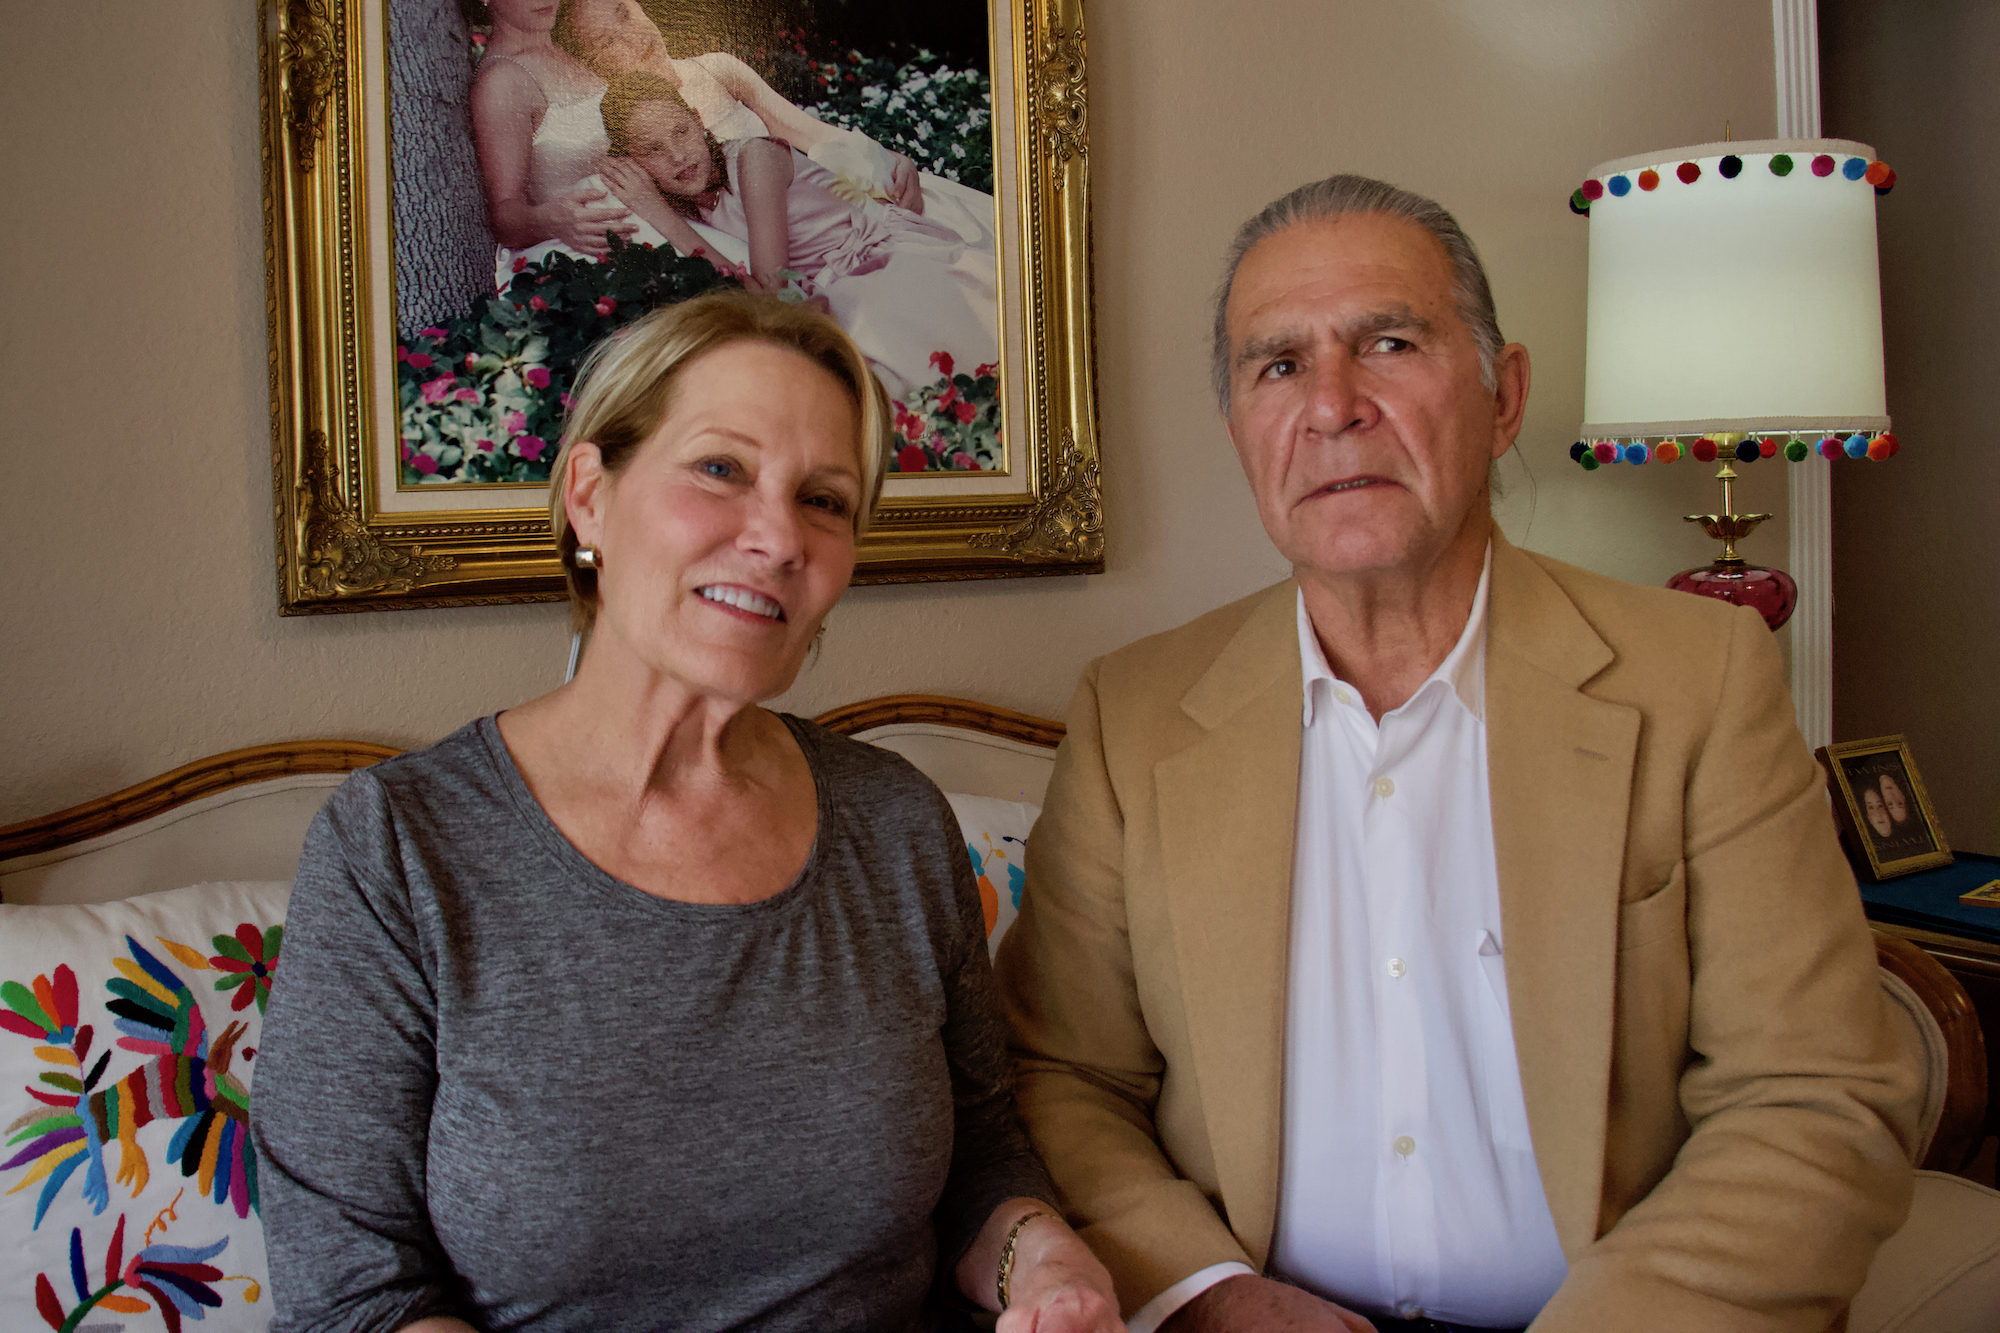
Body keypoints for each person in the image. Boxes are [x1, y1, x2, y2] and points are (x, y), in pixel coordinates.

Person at [992, 175, 1921, 1333]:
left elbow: (1812, 1092)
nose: (1332, 405)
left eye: (1387, 343)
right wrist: (1206, 1292)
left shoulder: (1701, 682)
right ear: (1239, 431)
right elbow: (1063, 1075)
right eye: (1277, 365)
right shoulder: (1132, 718)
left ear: (1502, 395)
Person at [254, 292, 1125, 1333]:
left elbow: (982, 1156)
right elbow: (353, 1294)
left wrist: (1044, 1262)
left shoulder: (894, 823)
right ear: (589, 495)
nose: (778, 536)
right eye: (720, 468)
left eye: (825, 500)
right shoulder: (399, 846)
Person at [594, 74, 996, 399]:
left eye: (681, 131)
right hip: (830, 283)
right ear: (632, 162)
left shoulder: (755, 159)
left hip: (881, 256)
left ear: (699, 122)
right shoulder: (694, 202)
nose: (677, 155)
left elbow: (770, 291)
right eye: (652, 149)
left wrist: (661, 216)